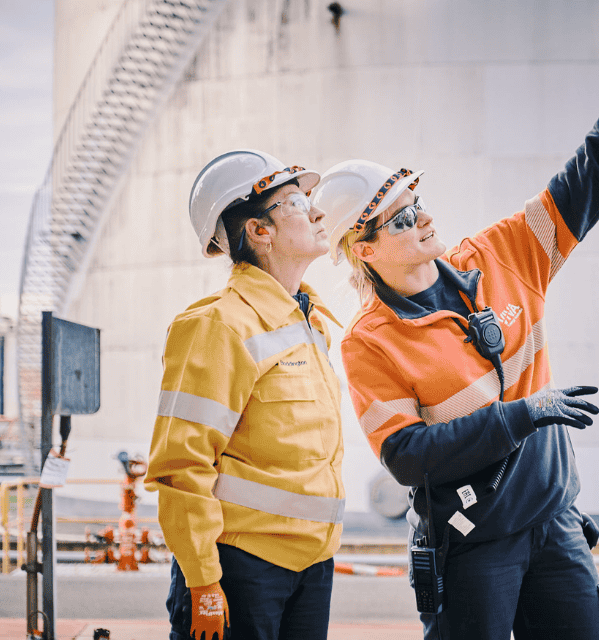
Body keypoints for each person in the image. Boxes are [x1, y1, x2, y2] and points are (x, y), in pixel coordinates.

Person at [311, 9, 599, 640]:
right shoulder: (370, 343)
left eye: (419, 204)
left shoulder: (497, 256)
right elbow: (408, 457)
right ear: (365, 250)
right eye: (402, 219)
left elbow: (583, 186)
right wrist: (523, 414)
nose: (423, 220)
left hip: (554, 522)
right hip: (476, 542)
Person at [144, 150, 345, 640]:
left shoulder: (309, 321)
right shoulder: (217, 326)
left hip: (313, 563)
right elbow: (181, 467)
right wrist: (204, 583)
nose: (317, 212)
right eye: (297, 202)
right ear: (260, 231)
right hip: (242, 568)